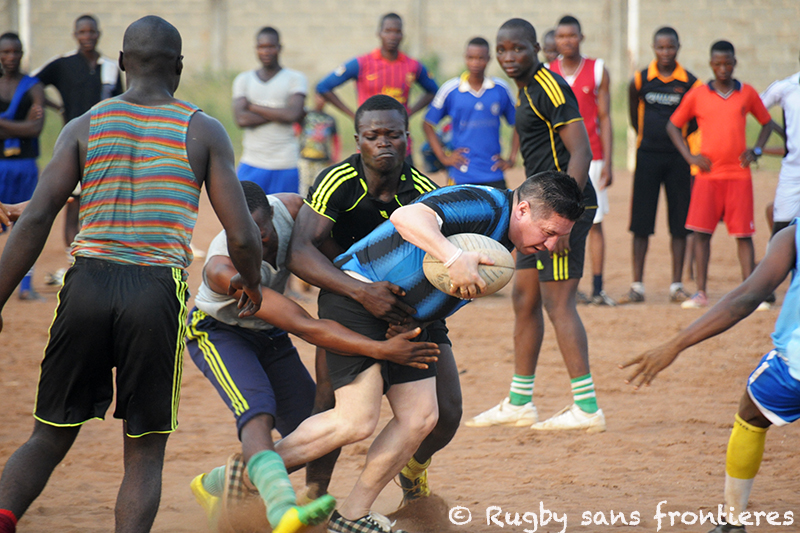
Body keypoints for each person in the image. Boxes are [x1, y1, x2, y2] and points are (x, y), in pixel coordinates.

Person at [0, 16, 266, 533]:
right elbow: (242, 235)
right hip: (154, 292)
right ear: (179, 67)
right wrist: (252, 283)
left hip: (86, 286)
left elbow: (35, 218)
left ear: (121, 62)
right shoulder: (203, 130)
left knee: (48, 436)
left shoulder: (85, 125)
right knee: (144, 452)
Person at [277, 170, 584, 533]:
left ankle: (352, 515)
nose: (551, 245)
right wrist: (453, 257)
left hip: (403, 317)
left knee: (421, 418)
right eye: (548, 232)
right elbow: (407, 216)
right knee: (355, 420)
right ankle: (251, 472)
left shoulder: (505, 234)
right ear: (523, 210)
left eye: (559, 237)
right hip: (360, 296)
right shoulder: (484, 204)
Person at [187, 181, 439, 532]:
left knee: (316, 427)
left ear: (272, 215)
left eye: (262, 233)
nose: (255, 243)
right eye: (242, 237)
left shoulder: (293, 211)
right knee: (258, 411)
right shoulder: (222, 268)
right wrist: (381, 350)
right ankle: (281, 508)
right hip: (222, 333)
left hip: (270, 335)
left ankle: (234, 484)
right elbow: (303, 325)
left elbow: (340, 261)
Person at [286, 95, 449, 506]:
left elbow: (440, 266)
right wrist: (360, 291)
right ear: (357, 140)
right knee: (333, 403)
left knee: (446, 412)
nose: (383, 142)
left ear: (407, 138)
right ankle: (315, 497)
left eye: (392, 134)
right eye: (373, 135)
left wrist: (414, 317)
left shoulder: (424, 192)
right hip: (347, 298)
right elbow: (300, 251)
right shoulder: (337, 181)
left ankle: (410, 475)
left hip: (411, 308)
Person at [466, 18, 605, 433]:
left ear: (536, 50)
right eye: (502, 50)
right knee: (524, 298)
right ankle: (520, 402)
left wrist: (563, 224)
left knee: (558, 303)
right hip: (538, 214)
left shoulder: (549, 87)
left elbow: (581, 153)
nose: (509, 57)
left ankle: (587, 408)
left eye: (518, 49)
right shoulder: (525, 89)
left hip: (561, 214)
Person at [621, 220, 800, 533]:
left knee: (752, 412)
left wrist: (675, 345)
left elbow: (747, 297)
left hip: (794, 368)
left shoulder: (792, 234)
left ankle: (732, 521)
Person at [667, 40, 778, 309]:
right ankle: (701, 293)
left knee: (744, 236)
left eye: (728, 63)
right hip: (708, 176)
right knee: (701, 234)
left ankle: (751, 294)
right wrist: (690, 157)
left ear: (735, 63)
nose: (723, 68)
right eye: (718, 64)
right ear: (711, 64)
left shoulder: (747, 93)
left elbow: (767, 123)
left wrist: (757, 149)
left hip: (739, 176)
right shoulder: (698, 95)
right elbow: (673, 125)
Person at [33, 15, 124, 284]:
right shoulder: (62, 64)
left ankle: (99, 262)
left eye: (91, 32)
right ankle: (75, 265)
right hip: (73, 148)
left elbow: (122, 103)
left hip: (105, 148)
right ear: (75, 35)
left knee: (101, 205)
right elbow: (31, 82)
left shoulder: (110, 68)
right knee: (73, 205)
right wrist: (54, 106)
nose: (87, 37)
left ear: (99, 33)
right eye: (82, 32)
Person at [620, 26, 703, 305]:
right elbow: (634, 116)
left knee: (679, 224)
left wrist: (681, 144)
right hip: (647, 156)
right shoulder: (641, 80)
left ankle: (676, 285)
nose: (665, 52)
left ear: (678, 48)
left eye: (670, 47)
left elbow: (695, 121)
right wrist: (647, 137)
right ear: (653, 48)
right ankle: (637, 285)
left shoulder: (690, 83)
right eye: (660, 47)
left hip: (678, 159)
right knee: (641, 223)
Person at [549, 15, 615, 306]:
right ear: (555, 40)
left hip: (593, 157)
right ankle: (566, 287)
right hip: (558, 159)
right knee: (559, 221)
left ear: (581, 37)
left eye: (572, 35)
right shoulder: (548, 72)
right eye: (562, 36)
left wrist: (609, 161)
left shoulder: (598, 69)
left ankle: (598, 288)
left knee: (594, 222)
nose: (567, 41)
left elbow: (605, 117)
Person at [315, 13, 438, 163]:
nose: (392, 36)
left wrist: (409, 112)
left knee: (405, 178)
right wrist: (354, 115)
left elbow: (433, 91)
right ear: (379, 33)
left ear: (402, 35)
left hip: (401, 147)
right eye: (388, 31)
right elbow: (323, 86)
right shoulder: (362, 63)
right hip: (370, 147)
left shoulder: (412, 65)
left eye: (397, 32)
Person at [422, 37, 518, 189]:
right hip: (461, 174)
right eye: (471, 58)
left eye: (480, 58)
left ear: (488, 59)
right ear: (465, 58)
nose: (475, 63)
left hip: (493, 173)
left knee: (501, 205)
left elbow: (518, 123)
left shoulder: (500, 89)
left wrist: (511, 159)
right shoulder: (451, 89)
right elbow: (428, 123)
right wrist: (443, 157)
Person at [233, 26, 306, 195]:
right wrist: (282, 113)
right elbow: (241, 120)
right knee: (245, 209)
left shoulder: (295, 78)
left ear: (279, 48)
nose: (266, 51)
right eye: (261, 47)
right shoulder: (243, 80)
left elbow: (293, 114)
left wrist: (252, 106)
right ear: (256, 48)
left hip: (285, 163)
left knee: (285, 210)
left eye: (271, 47)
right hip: (252, 161)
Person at [0, 32, 44, 300]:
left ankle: (26, 287)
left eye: (16, 52)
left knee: (27, 224)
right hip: (0, 165)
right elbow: (28, 126)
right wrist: (22, 125)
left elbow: (36, 129)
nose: (11, 57)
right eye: (5, 52)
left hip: (26, 166)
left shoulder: (32, 86)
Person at [760, 57, 800, 236]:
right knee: (781, 228)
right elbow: (756, 107)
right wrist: (779, 131)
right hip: (793, 173)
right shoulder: (786, 88)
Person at [297, 93, 340, 197]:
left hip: (322, 160)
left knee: (319, 188)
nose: (321, 100)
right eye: (319, 97)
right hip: (305, 158)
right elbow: (296, 131)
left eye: (324, 98)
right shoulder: (306, 116)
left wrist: (335, 157)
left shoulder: (330, 119)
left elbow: (335, 139)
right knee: (303, 188)